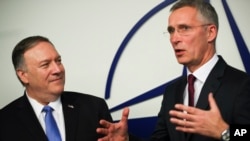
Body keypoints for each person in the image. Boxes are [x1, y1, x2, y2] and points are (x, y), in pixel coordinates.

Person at [96, 0, 250, 141]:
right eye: (171, 31)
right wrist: (127, 139)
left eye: (184, 28)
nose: (174, 39)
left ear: (210, 33)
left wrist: (224, 132)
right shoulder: (172, 91)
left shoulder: (242, 85)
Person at [0, 35, 114, 141]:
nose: (58, 70)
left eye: (58, 61)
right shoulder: (4, 121)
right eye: (45, 64)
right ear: (23, 75)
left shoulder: (94, 107)